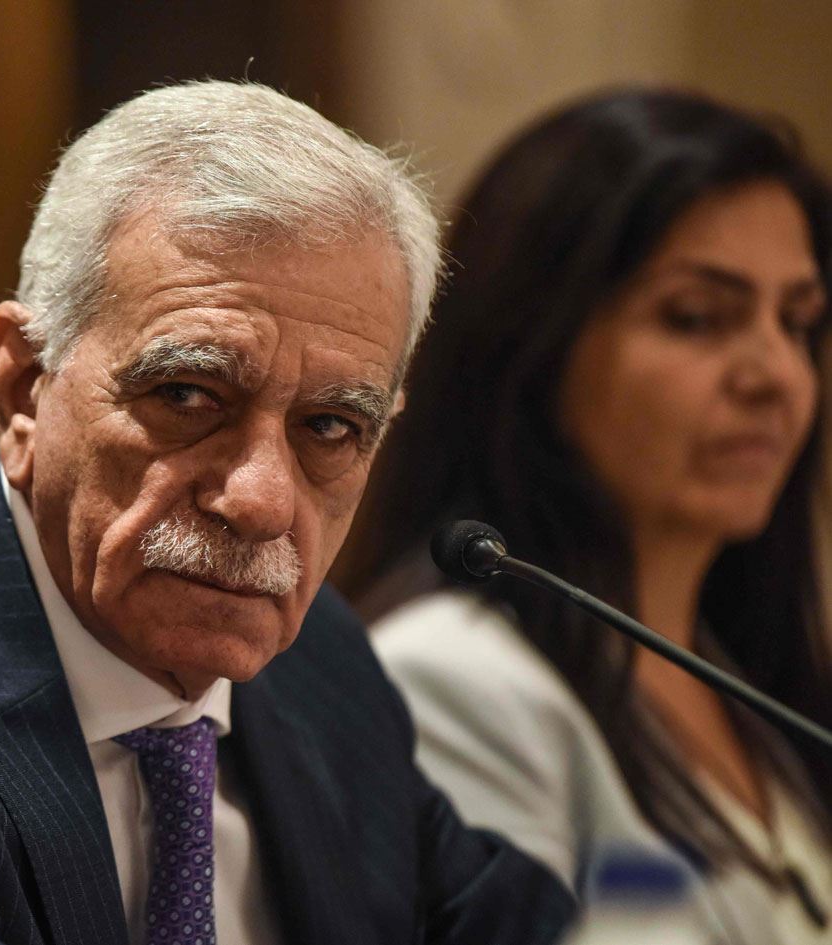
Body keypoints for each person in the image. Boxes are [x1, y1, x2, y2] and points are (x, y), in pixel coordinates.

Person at [0, 80, 574, 944]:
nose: (260, 500)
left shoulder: (318, 664)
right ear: (22, 386)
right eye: (188, 395)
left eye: (330, 426)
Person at [343, 88, 832, 943]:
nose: (776, 375)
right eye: (697, 318)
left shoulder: (744, 675)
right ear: (534, 346)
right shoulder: (453, 679)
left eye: (798, 323)